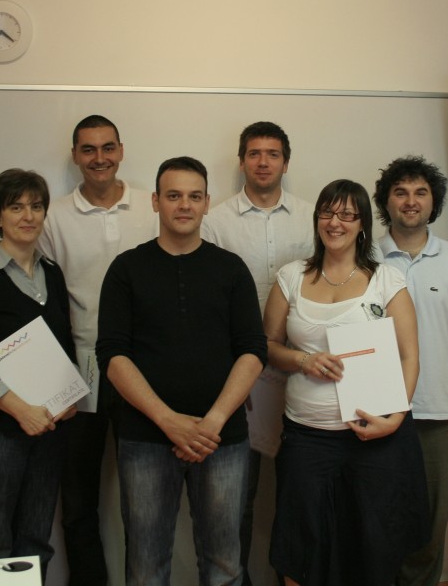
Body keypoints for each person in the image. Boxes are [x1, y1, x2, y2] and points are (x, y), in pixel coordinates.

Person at [97, 156, 266, 586]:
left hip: (221, 439)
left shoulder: (231, 269)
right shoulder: (126, 270)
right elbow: (113, 357)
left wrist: (212, 422)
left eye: (194, 196)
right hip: (146, 438)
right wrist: (169, 421)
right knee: (146, 567)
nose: (184, 205)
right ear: (156, 201)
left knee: (225, 565)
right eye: (174, 196)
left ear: (207, 202)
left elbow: (252, 351)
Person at [265, 179, 430, 586]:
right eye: (327, 212)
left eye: (346, 215)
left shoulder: (386, 279)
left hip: (374, 438)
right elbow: (266, 346)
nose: (334, 222)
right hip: (307, 436)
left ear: (362, 225)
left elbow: (409, 355)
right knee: (301, 547)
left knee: (372, 547)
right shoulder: (290, 277)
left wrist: (396, 418)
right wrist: (303, 360)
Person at [38, 114, 158, 586]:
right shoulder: (53, 217)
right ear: (75, 156)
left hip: (144, 372)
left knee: (144, 500)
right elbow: (43, 297)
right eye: (88, 149)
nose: (99, 158)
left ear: (121, 150)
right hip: (78, 371)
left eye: (108, 147)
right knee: (78, 499)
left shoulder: (152, 206)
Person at [202, 121, 315, 585]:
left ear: (286, 162)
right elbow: (210, 303)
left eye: (272, 154)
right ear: (242, 161)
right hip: (240, 376)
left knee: (299, 496)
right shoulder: (215, 222)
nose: (263, 162)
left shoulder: (312, 217)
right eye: (254, 153)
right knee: (237, 500)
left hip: (302, 371)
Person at [0, 169, 77, 577]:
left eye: (36, 206)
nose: (28, 216)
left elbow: (64, 344)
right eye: (16, 207)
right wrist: (21, 411)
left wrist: (69, 397)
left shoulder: (52, 273)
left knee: (36, 542)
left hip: (48, 430)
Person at [374, 156, 448, 586]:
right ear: (386, 201)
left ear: (433, 201)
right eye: (401, 192)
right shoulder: (366, 256)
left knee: (430, 528)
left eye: (420, 192)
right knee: (380, 522)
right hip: (378, 410)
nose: (411, 201)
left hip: (438, 413)